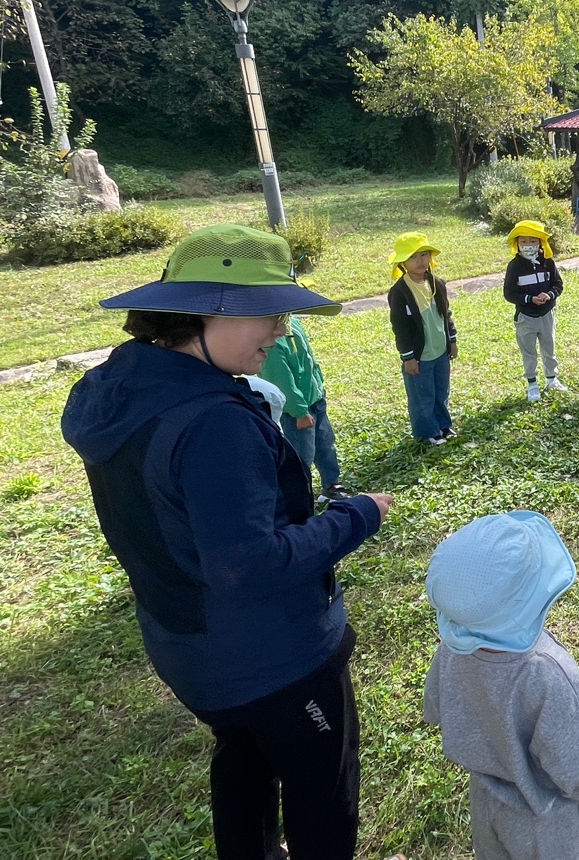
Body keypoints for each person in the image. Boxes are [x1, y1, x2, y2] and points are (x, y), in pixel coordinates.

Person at [60, 224, 394, 860]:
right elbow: (251, 564)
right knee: (320, 790)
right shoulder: (214, 422)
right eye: (268, 312)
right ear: (208, 310)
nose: (282, 330)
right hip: (273, 660)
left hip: (191, 649)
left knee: (242, 762)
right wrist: (357, 516)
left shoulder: (125, 390)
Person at [424, 511, 579, 859]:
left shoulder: (453, 647)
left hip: (484, 799)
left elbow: (437, 706)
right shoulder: (546, 673)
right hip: (544, 820)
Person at [259, 315, 349, 498]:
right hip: (297, 411)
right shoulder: (272, 341)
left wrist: (319, 385)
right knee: (302, 456)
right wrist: (299, 411)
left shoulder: (293, 323)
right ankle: (299, 496)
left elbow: (308, 359)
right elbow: (282, 382)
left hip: (314, 399)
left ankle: (332, 486)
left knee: (325, 444)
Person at [387, 232, 459, 446]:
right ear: (402, 262)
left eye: (424, 255)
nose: (420, 261)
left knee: (441, 391)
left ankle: (444, 426)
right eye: (413, 257)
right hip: (420, 355)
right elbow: (400, 327)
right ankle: (427, 432)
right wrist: (408, 356)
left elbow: (446, 314)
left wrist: (452, 340)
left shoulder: (436, 283)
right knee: (422, 396)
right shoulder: (399, 291)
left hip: (440, 350)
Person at [503, 219, 568, 402]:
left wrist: (549, 295)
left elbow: (558, 284)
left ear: (540, 243)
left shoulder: (547, 262)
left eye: (533, 241)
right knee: (529, 352)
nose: (528, 245)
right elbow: (509, 293)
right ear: (517, 244)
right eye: (523, 241)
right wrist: (529, 299)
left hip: (547, 314)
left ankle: (551, 379)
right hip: (525, 316)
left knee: (549, 347)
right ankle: (532, 384)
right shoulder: (514, 266)